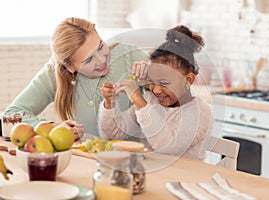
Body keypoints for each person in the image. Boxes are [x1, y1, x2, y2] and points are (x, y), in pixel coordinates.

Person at [4, 17, 148, 139]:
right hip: (86, 163)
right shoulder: (55, 72)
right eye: (88, 60)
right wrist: (53, 128)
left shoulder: (130, 56)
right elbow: (10, 115)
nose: (101, 60)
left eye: (100, 47)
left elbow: (167, 108)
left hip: (139, 161)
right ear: (70, 67)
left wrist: (152, 76)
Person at [98, 25, 212, 160]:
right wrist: (109, 103)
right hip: (149, 172)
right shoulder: (152, 100)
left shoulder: (200, 113)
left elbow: (168, 148)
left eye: (164, 83)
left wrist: (139, 100)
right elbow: (113, 134)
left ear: (188, 80)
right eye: (152, 81)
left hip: (182, 179)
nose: (156, 90)